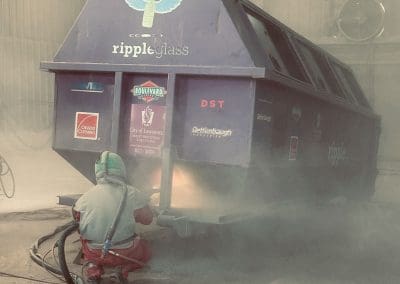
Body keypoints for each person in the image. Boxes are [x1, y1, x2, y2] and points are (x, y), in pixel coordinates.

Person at [72, 151, 153, 283]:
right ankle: (123, 270)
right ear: (121, 169)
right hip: (125, 253)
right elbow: (148, 219)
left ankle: (93, 269)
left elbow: (78, 225)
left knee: (85, 243)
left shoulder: (84, 198)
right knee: (146, 251)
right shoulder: (131, 192)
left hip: (95, 253)